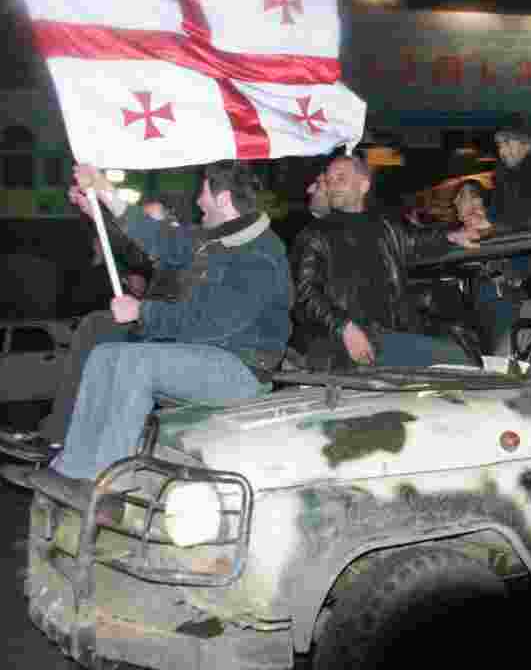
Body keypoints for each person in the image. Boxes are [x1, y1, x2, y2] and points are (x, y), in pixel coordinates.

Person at [1, 160, 293, 486]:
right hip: (208, 356)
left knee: (134, 362)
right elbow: (161, 238)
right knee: (105, 354)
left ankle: (107, 486)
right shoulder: (216, 239)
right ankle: (70, 469)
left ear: (223, 199)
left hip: (241, 369)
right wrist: (105, 196)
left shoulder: (260, 254)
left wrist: (143, 312)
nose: (198, 202)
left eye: (203, 193)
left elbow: (212, 323)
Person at [0, 197, 183, 460]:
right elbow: (127, 248)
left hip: (172, 339)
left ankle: (61, 436)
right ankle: (62, 435)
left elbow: (181, 311)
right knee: (96, 331)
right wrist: (97, 216)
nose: (143, 231)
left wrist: (141, 308)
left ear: (172, 224)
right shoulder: (153, 257)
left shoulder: (183, 257)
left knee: (98, 328)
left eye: (151, 222)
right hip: (148, 331)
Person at [291, 149, 479, 371]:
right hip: (347, 344)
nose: (333, 185)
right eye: (330, 180)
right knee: (459, 360)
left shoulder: (385, 226)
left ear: (363, 186)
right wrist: (344, 328)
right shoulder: (314, 235)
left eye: (341, 178)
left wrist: (452, 236)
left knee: (463, 358)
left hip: (389, 337)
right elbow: (305, 294)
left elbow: (417, 241)